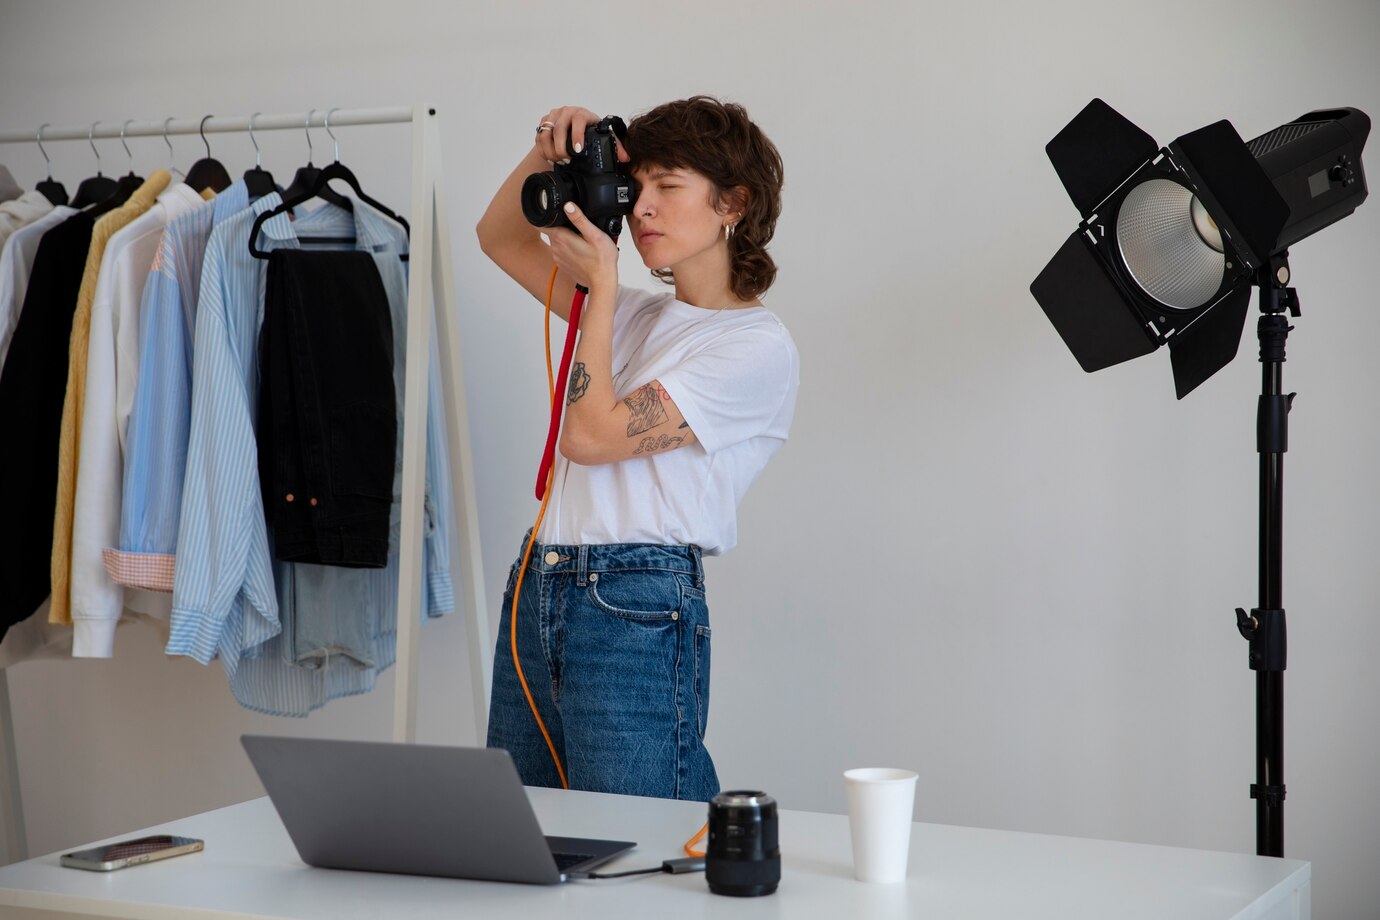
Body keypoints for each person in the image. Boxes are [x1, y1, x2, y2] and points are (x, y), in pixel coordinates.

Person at [475, 96, 798, 802]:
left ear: (733, 203)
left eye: (668, 186)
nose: (640, 207)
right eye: (637, 184)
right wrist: (550, 148)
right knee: (527, 830)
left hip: (633, 598)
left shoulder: (754, 347)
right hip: (538, 580)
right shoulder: (631, 312)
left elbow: (590, 437)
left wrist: (601, 286)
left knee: (641, 838)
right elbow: (498, 237)